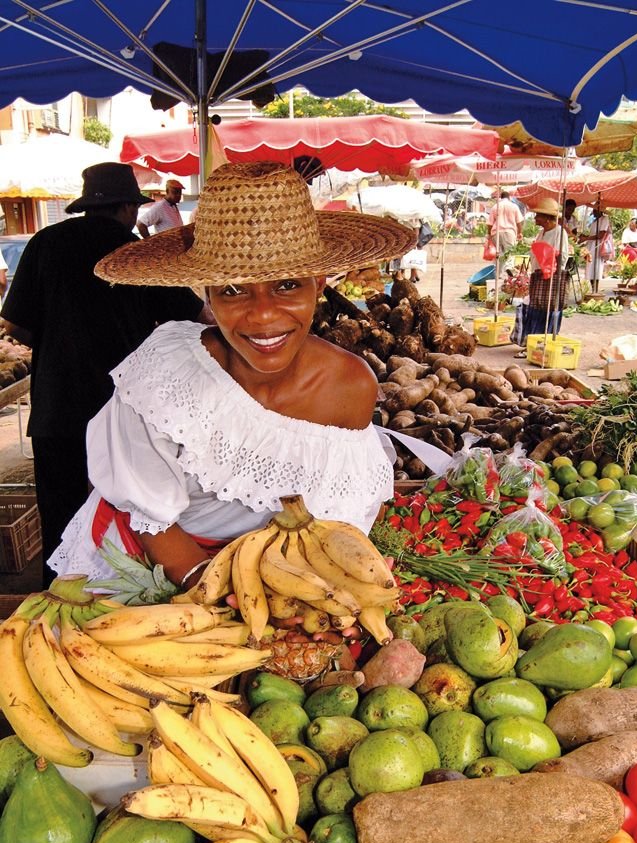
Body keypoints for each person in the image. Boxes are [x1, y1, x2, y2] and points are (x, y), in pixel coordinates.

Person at [49, 162, 415, 591]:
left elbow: (330, 533)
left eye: (286, 286)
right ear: (206, 293)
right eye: (233, 290)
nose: (262, 316)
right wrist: (221, 601)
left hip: (267, 579)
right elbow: (148, 516)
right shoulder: (165, 371)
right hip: (140, 564)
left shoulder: (350, 386)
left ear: (319, 283)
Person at [0, 162, 208, 586]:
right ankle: (120, 618)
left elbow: (15, 325)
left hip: (57, 413)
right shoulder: (138, 252)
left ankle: (57, 611)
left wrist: (60, 336)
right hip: (125, 416)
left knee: (61, 522)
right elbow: (196, 323)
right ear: (129, 209)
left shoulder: (45, 243)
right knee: (128, 527)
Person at [513, 197, 570, 358]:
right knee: (535, 309)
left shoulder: (560, 233)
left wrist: (551, 264)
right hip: (538, 275)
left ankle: (544, 344)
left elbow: (562, 256)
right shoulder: (541, 233)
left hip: (552, 278)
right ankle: (532, 343)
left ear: (547, 218)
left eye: (538, 215)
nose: (535, 218)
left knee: (549, 311)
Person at [487, 190, 523, 274]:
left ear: (501, 198)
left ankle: (498, 274)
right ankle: (509, 266)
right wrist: (520, 232)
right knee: (510, 251)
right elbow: (519, 221)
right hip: (509, 232)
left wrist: (488, 234)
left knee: (499, 254)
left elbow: (489, 223)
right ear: (509, 197)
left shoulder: (495, 207)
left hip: (496, 233)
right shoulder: (513, 206)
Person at [580, 202, 612, 291]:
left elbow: (601, 235)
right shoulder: (594, 221)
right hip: (591, 245)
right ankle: (593, 288)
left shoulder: (604, 219)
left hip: (598, 245)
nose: (593, 211)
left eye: (594, 209)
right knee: (590, 268)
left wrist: (587, 238)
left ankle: (596, 289)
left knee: (596, 268)